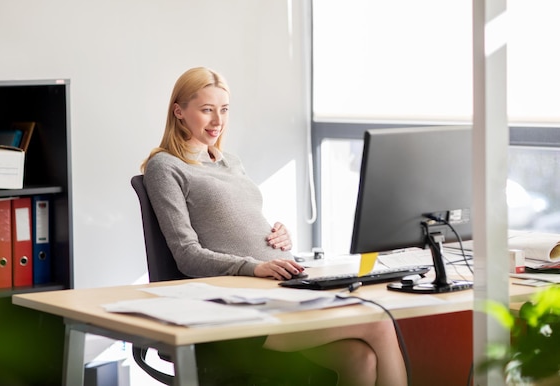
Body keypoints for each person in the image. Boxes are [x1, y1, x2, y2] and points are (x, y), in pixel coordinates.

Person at [141, 67, 407, 386]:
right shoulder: (165, 166)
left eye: (224, 110)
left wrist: (278, 237)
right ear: (179, 111)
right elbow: (187, 254)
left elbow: (236, 224)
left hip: (281, 290)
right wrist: (256, 266)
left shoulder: (229, 161)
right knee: (379, 323)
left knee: (359, 358)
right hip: (237, 309)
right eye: (207, 110)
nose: (217, 121)